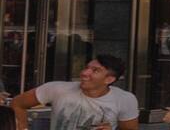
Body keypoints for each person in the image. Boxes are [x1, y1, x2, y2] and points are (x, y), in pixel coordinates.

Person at [10, 55, 139, 130]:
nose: (84, 73)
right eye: (87, 67)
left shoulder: (125, 99)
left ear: (109, 79)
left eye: (95, 70)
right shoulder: (57, 88)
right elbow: (17, 103)